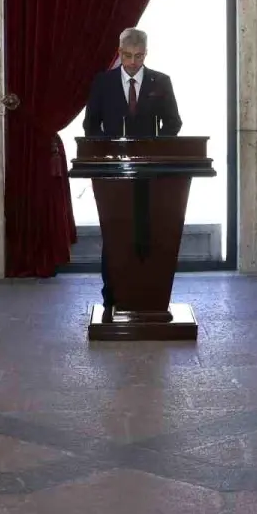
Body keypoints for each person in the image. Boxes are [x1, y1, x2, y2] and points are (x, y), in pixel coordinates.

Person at [82, 28, 182, 309]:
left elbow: (173, 123)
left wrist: (157, 149)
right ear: (119, 52)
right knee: (116, 233)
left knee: (150, 230)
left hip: (152, 175)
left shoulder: (160, 82)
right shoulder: (103, 82)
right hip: (113, 175)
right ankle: (111, 297)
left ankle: (148, 294)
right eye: (127, 56)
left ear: (146, 53)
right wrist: (108, 150)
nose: (132, 62)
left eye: (138, 56)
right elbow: (91, 125)